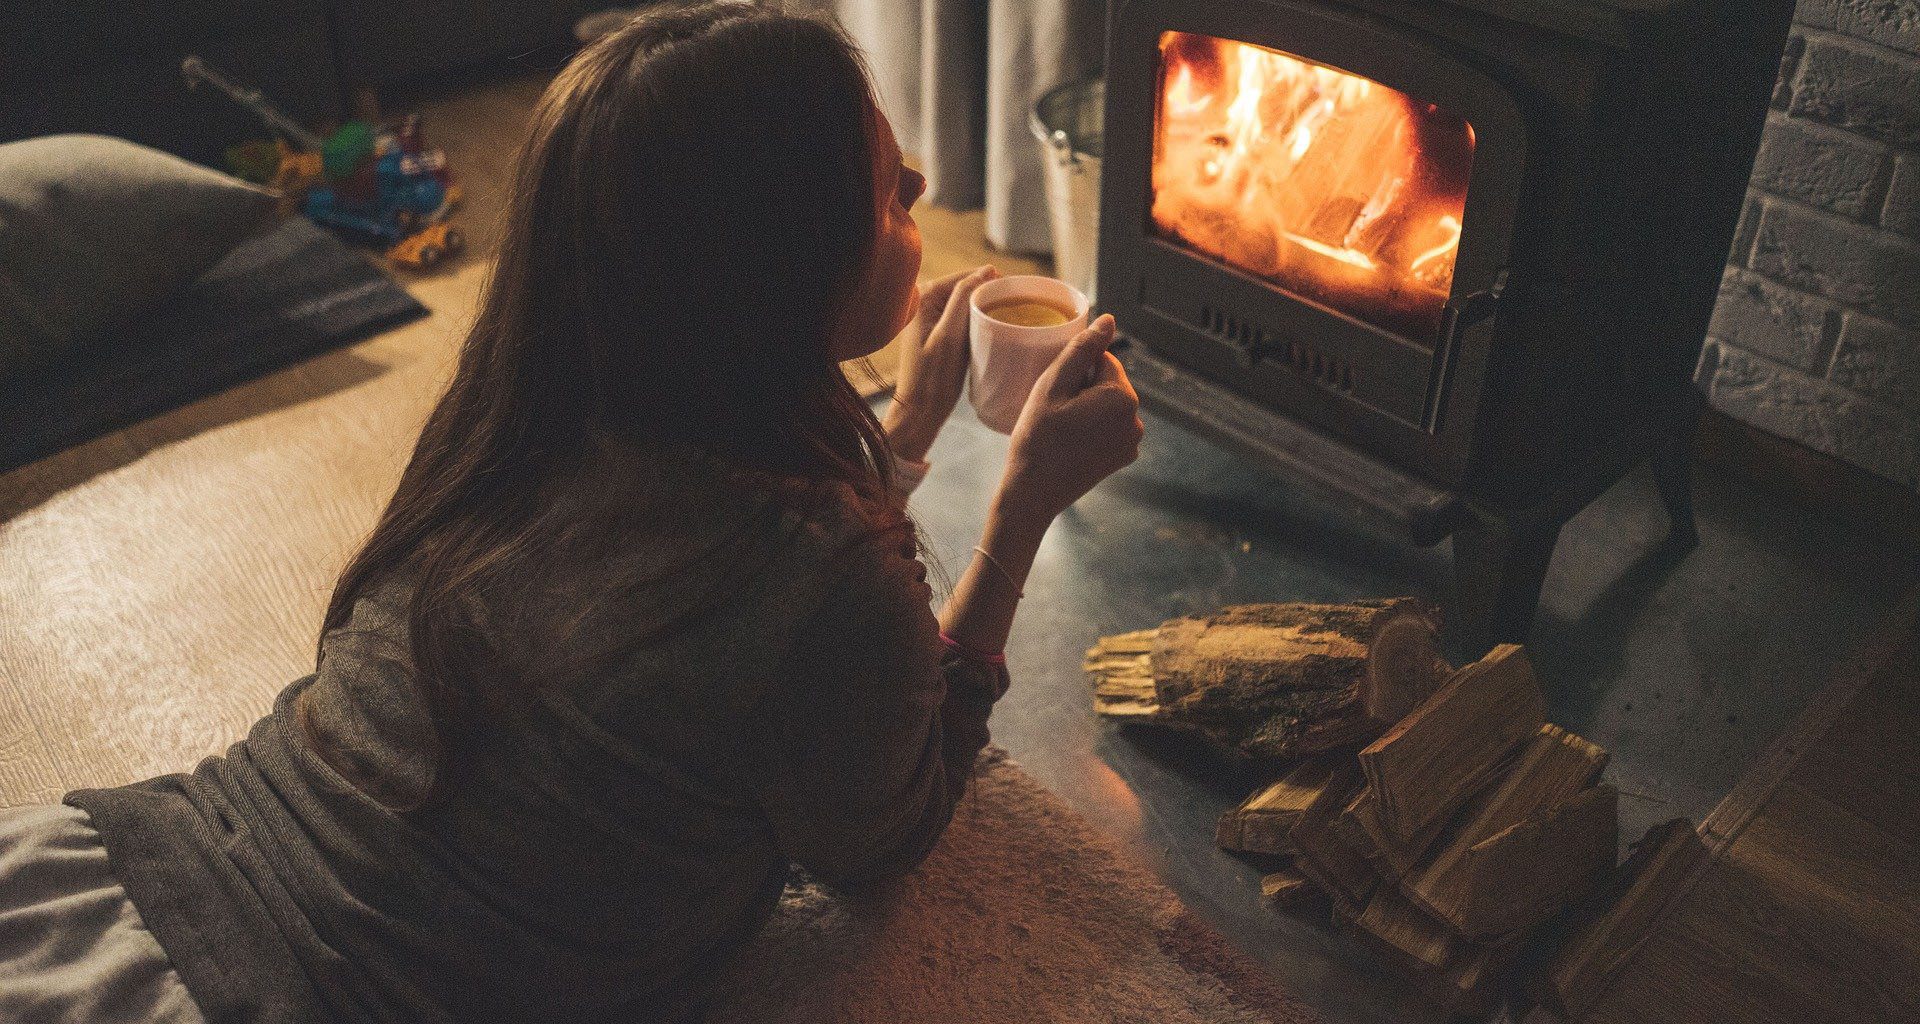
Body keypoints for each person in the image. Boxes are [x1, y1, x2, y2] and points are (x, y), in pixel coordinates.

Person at [0, 5, 1143, 1023]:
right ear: (775, 264)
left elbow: (707, 609)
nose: (921, 192)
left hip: (131, 871)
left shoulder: (520, 419)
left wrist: (897, 445)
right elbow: (887, 835)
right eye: (883, 184)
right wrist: (1022, 510)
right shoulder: (827, 588)